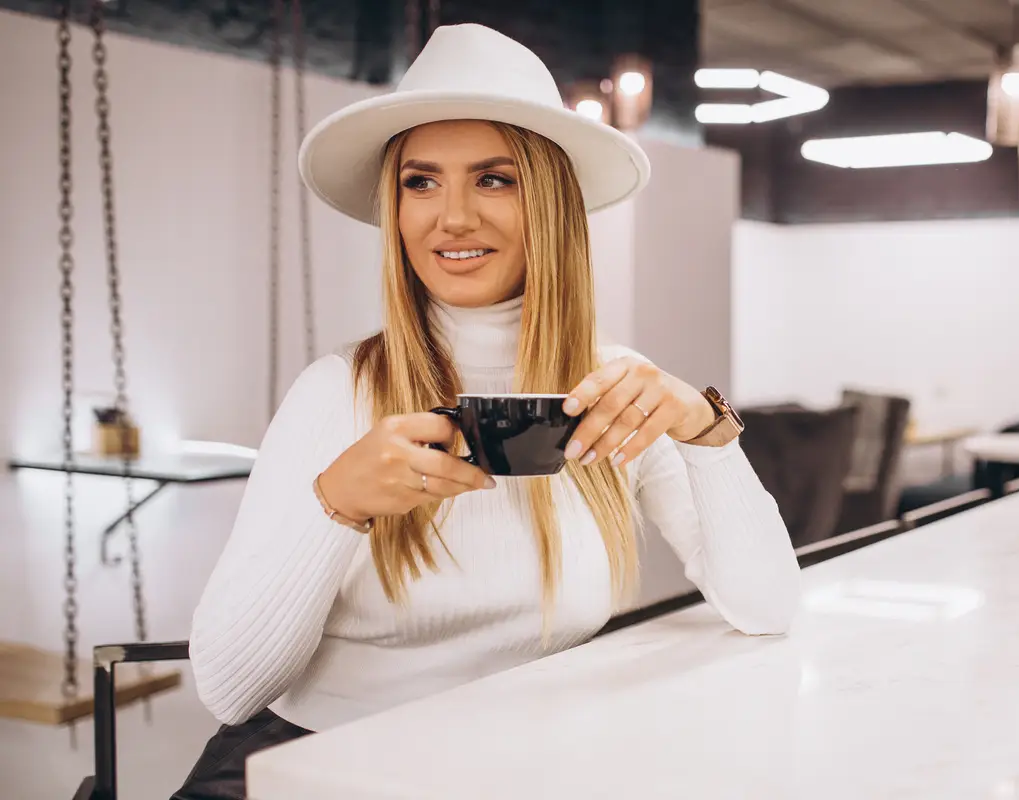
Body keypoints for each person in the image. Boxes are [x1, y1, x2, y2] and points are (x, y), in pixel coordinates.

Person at [174, 22, 800, 800]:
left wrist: (704, 431)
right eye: (421, 181)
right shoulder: (338, 390)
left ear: (551, 206)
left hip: (522, 760)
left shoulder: (615, 388)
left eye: (495, 179)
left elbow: (769, 608)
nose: (454, 218)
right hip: (321, 762)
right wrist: (336, 506)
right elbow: (229, 693)